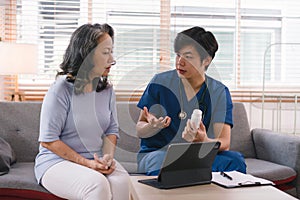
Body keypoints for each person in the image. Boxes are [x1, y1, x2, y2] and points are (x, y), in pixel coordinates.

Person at [34, 23, 130, 200]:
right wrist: (87, 164)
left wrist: (107, 158)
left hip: (95, 160)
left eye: (112, 51)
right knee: (97, 185)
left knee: (122, 182)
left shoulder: (107, 90)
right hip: (56, 162)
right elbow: (48, 141)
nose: (112, 60)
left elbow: (111, 130)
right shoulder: (61, 89)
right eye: (106, 52)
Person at [136, 26, 247, 176]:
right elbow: (139, 129)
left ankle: (189, 178)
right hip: (159, 153)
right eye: (177, 55)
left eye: (188, 57)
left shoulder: (219, 92)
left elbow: (224, 142)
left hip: (197, 155)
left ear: (206, 60)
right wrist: (151, 127)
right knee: (163, 161)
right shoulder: (160, 82)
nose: (179, 62)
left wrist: (204, 140)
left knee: (235, 161)